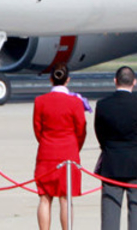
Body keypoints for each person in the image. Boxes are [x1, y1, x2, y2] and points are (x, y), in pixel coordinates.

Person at [95, 66, 137, 230]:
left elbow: (100, 132)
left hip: (111, 162)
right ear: (134, 82)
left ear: (115, 81)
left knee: (110, 213)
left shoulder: (103, 105)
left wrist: (109, 148)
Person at [33, 66, 88, 230]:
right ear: (68, 79)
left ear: (51, 79)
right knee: (65, 199)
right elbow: (81, 130)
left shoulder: (40, 101)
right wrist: (75, 147)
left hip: (46, 152)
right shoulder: (75, 102)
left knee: (44, 198)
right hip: (68, 153)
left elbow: (37, 129)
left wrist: (46, 142)